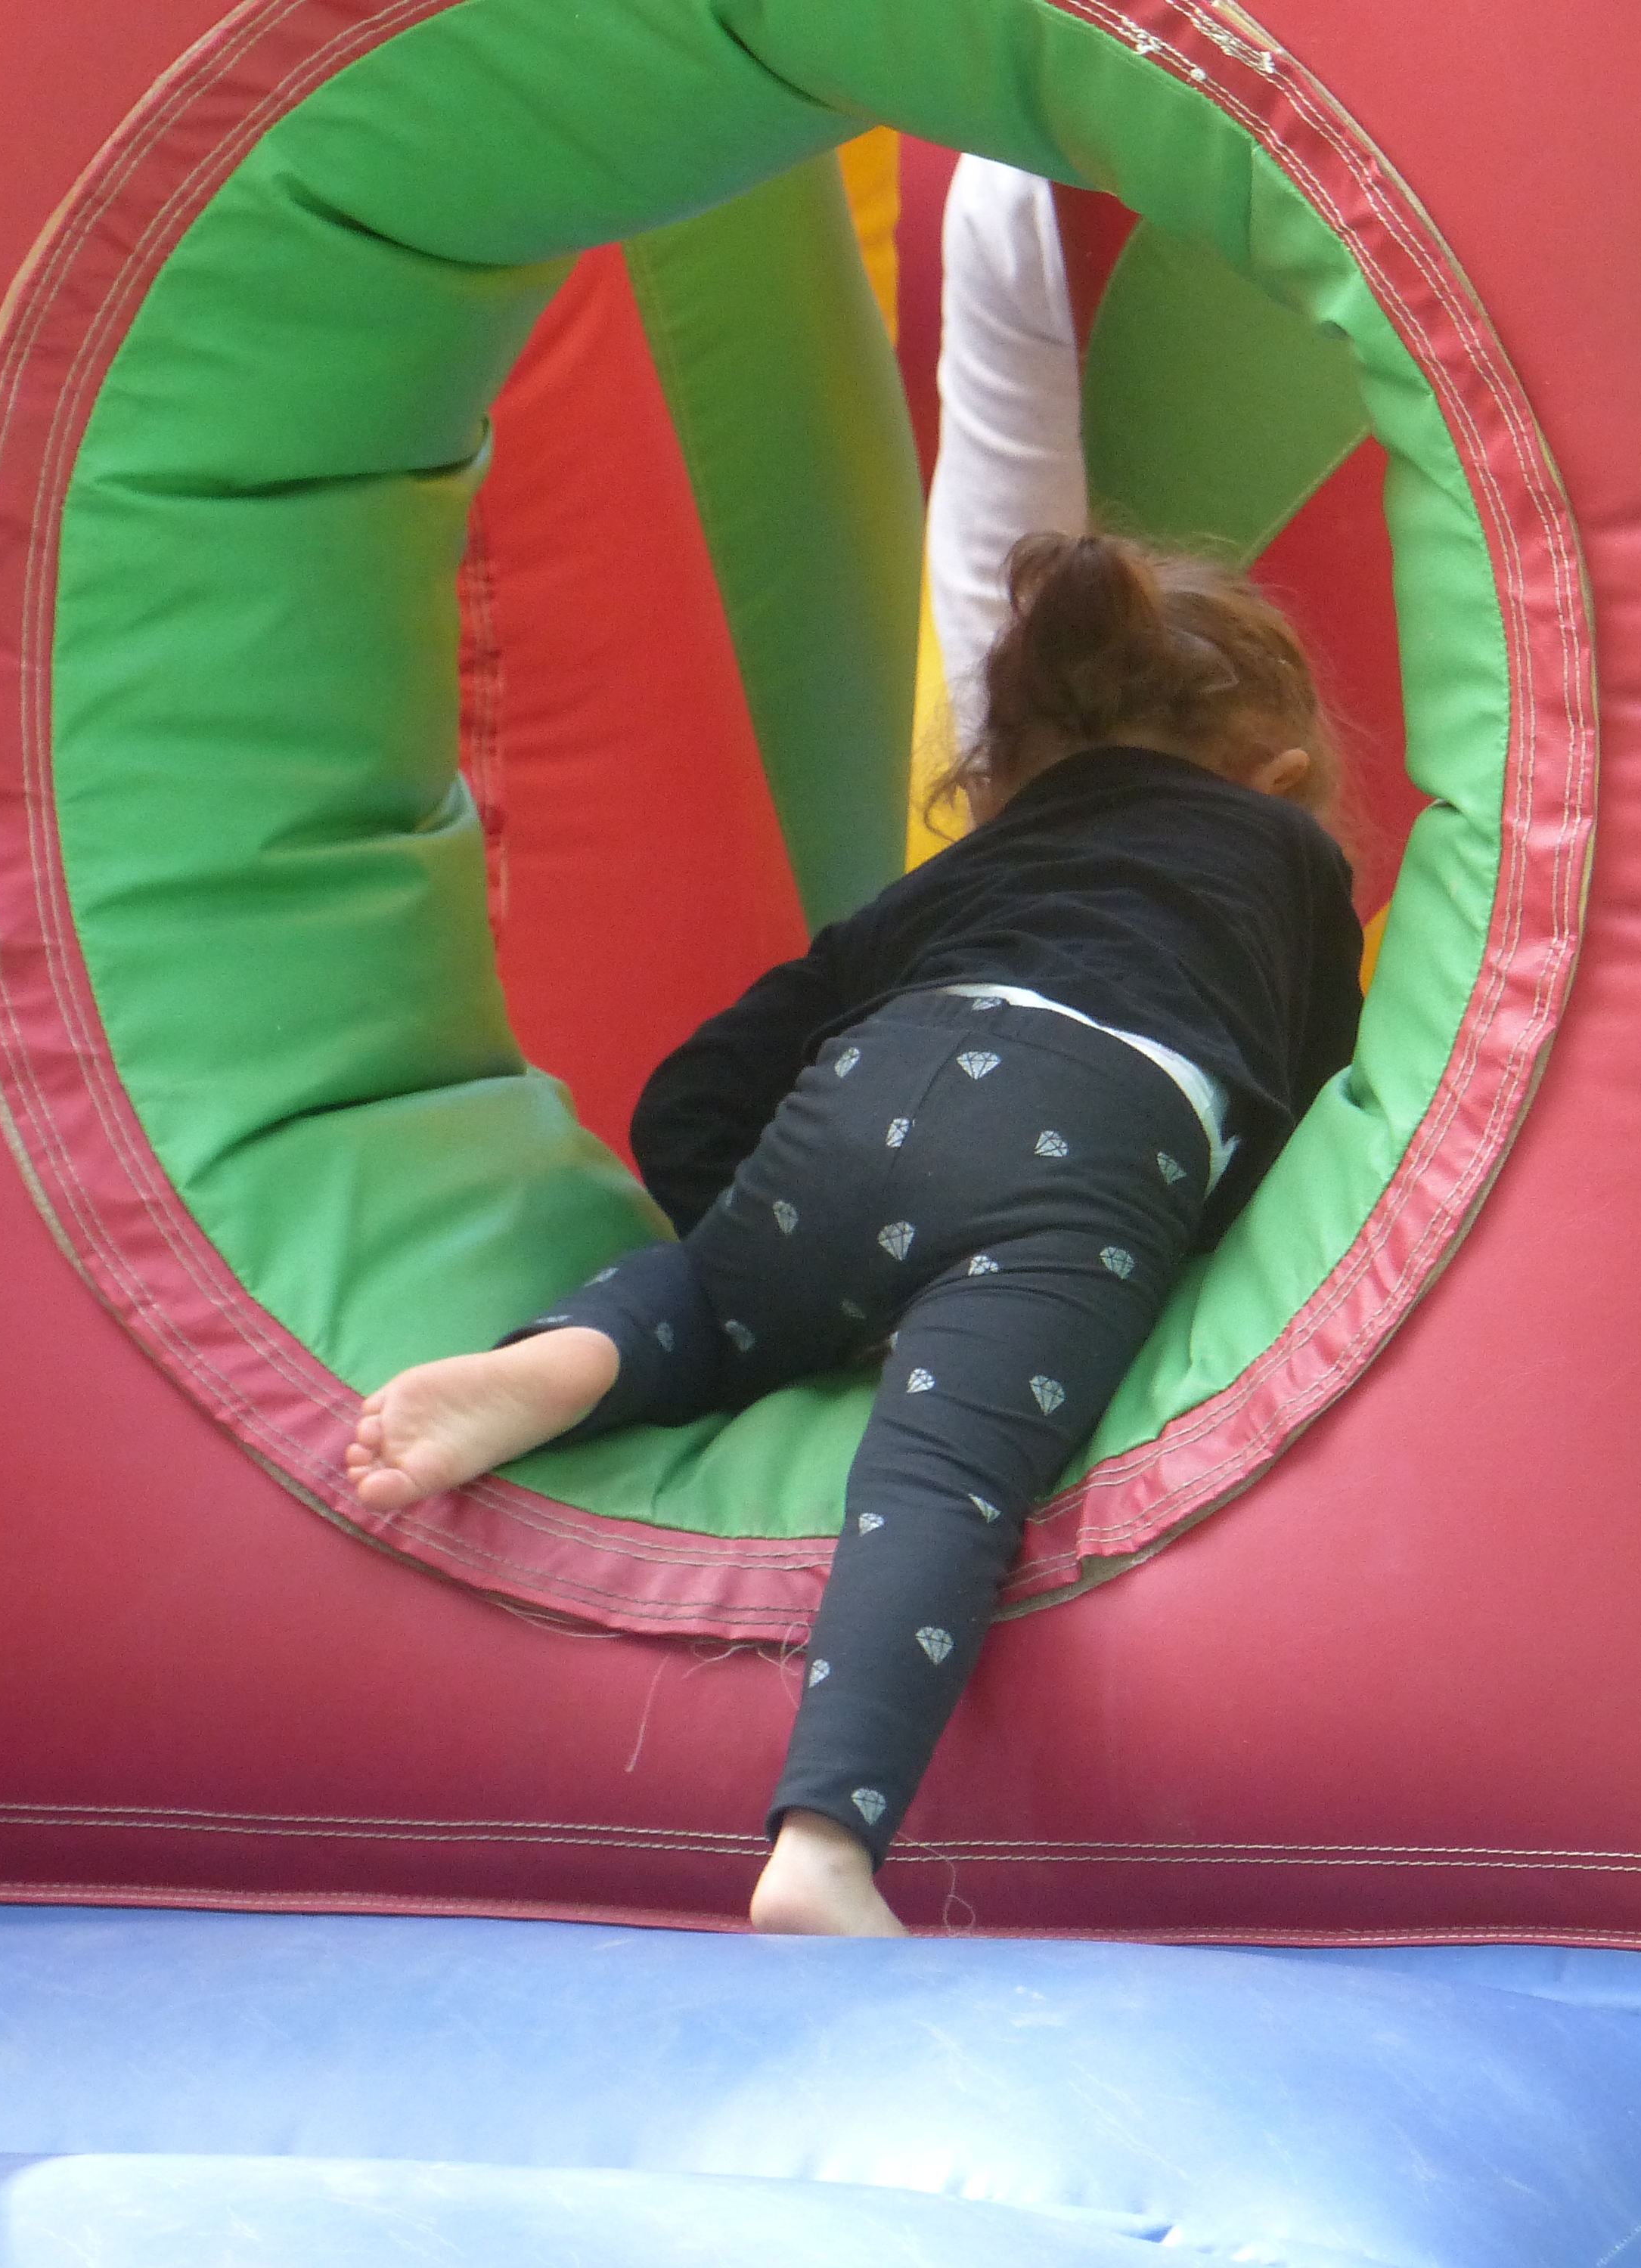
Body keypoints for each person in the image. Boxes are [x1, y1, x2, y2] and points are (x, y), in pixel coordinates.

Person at [345, 531, 1364, 1935]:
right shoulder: (1282, 857)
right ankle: (825, 1847)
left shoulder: (949, 884)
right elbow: (1313, 1132)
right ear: (1281, 780)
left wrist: (788, 1272)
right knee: (942, 1483)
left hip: (866, 1085)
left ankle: (577, 1357)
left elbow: (695, 1093)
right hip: (1090, 1138)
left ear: (999, 778)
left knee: (712, 1299)